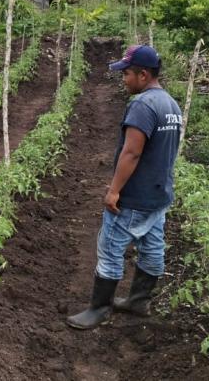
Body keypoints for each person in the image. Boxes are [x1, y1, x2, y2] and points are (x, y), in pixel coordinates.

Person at [67, 45, 182, 330]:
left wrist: (114, 190)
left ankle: (100, 308)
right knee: (153, 246)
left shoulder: (143, 106)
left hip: (134, 195)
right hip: (159, 194)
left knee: (111, 248)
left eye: (127, 74)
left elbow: (132, 153)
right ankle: (139, 301)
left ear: (143, 75)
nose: (124, 79)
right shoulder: (171, 105)